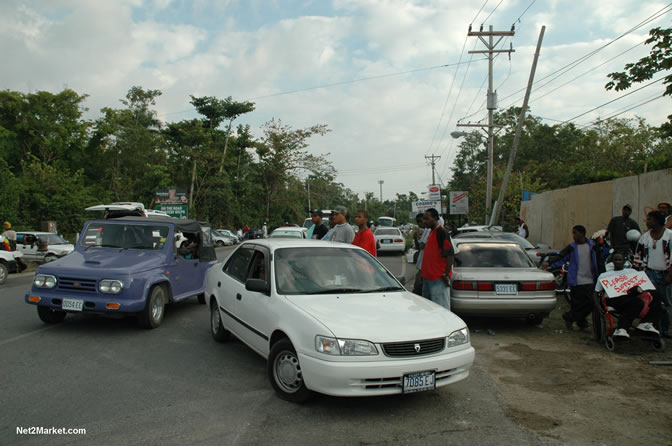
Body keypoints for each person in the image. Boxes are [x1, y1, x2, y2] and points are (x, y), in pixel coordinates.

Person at [594, 253, 663, 337]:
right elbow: (596, 292)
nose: (618, 262)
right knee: (637, 302)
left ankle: (646, 323)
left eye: (620, 260)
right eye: (616, 260)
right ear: (612, 262)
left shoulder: (632, 272)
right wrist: (599, 307)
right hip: (614, 298)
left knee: (656, 294)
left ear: (624, 261)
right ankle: (621, 328)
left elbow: (641, 283)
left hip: (631, 295)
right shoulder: (604, 275)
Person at [545, 225, 599, 330]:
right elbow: (561, 256)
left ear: (582, 233)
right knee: (577, 304)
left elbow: (599, 259)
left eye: (575, 233)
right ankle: (581, 323)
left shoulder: (592, 246)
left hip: (590, 280)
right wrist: (549, 262)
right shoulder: (572, 247)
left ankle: (569, 317)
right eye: (572, 233)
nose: (573, 235)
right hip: (576, 280)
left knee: (591, 303)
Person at [633, 210, 672, 338]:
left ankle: (664, 330)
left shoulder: (669, 236)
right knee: (652, 302)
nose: (647, 221)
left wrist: (669, 275)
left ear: (656, 221)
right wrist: (639, 276)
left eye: (649, 219)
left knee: (666, 304)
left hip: (666, 274)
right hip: (649, 274)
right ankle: (654, 329)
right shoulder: (645, 237)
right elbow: (638, 258)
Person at [420, 208, 454, 309]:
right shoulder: (431, 233)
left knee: (441, 311)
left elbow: (450, 255)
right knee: (430, 311)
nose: (424, 221)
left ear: (435, 218)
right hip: (428, 279)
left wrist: (446, 274)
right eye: (423, 219)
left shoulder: (441, 232)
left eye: (427, 219)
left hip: (438, 280)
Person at [412, 213, 429, 296]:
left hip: (425, 268)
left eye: (421, 221)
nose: (420, 224)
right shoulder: (426, 231)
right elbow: (419, 247)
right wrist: (416, 238)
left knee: (418, 288)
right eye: (418, 222)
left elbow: (423, 245)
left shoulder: (429, 230)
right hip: (422, 266)